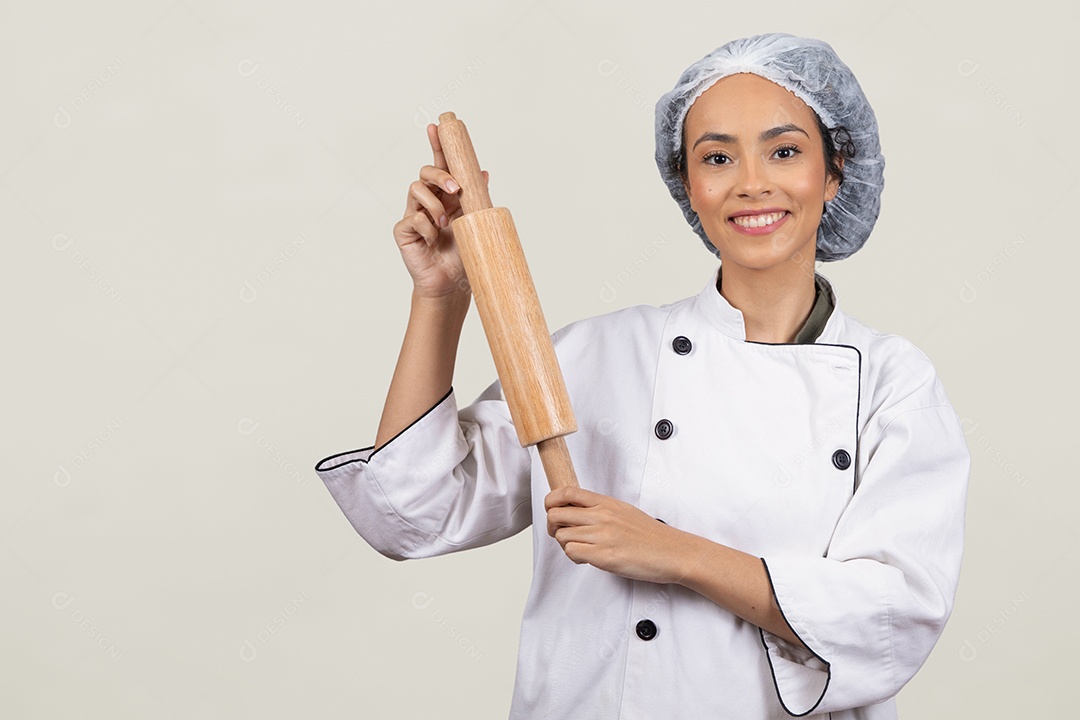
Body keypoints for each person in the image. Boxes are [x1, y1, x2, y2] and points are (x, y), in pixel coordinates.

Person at [314, 33, 970, 719]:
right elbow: (412, 516)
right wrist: (442, 299)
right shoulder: (593, 357)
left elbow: (894, 616)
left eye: (784, 150)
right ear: (687, 182)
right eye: (716, 156)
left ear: (835, 170)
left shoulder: (893, 385)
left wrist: (673, 552)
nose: (751, 181)